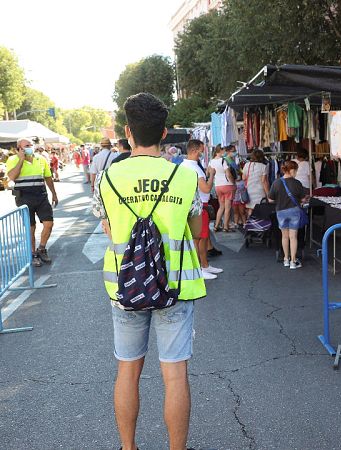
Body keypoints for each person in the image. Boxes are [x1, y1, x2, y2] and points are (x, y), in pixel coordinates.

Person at [91, 93, 206, 450]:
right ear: (165, 132)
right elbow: (195, 222)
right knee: (174, 375)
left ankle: (129, 447)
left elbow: (109, 229)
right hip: (175, 287)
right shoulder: (183, 175)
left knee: (127, 370)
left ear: (128, 132)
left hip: (124, 288)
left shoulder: (108, 179)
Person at [6, 137, 59, 267]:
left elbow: (47, 177)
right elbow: (12, 177)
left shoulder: (41, 159)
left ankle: (41, 248)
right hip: (24, 197)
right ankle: (32, 253)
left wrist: (54, 194)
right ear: (19, 148)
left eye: (31, 144)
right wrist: (21, 160)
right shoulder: (12, 159)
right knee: (31, 227)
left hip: (41, 196)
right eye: (26, 145)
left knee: (49, 223)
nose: (30, 147)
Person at [182, 139, 223, 280]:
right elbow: (205, 188)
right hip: (198, 207)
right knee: (199, 239)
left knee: (202, 238)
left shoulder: (186, 165)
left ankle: (204, 265)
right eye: (201, 150)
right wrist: (211, 175)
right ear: (194, 150)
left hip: (195, 206)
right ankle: (200, 268)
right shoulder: (193, 167)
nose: (202, 153)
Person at [268, 160, 309, 269]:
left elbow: (270, 199)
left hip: (280, 212)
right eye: (296, 170)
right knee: (293, 237)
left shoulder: (276, 183)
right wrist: (304, 199)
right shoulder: (297, 183)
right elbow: (302, 199)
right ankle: (293, 261)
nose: (296, 173)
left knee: (284, 236)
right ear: (292, 170)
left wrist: (279, 199)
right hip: (294, 212)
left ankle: (286, 259)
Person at [207, 145, 235, 232]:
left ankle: (216, 226)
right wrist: (233, 183)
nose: (225, 152)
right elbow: (228, 174)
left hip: (218, 186)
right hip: (227, 185)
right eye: (224, 150)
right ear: (220, 151)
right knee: (227, 208)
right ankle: (226, 226)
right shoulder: (223, 160)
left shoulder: (211, 162)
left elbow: (208, 173)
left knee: (221, 207)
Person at [243, 149, 269, 215]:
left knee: (250, 209)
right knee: (260, 209)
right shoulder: (264, 166)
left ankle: (250, 224)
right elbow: (264, 181)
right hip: (260, 191)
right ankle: (258, 224)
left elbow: (243, 178)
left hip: (249, 190)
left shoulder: (247, 165)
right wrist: (268, 194)